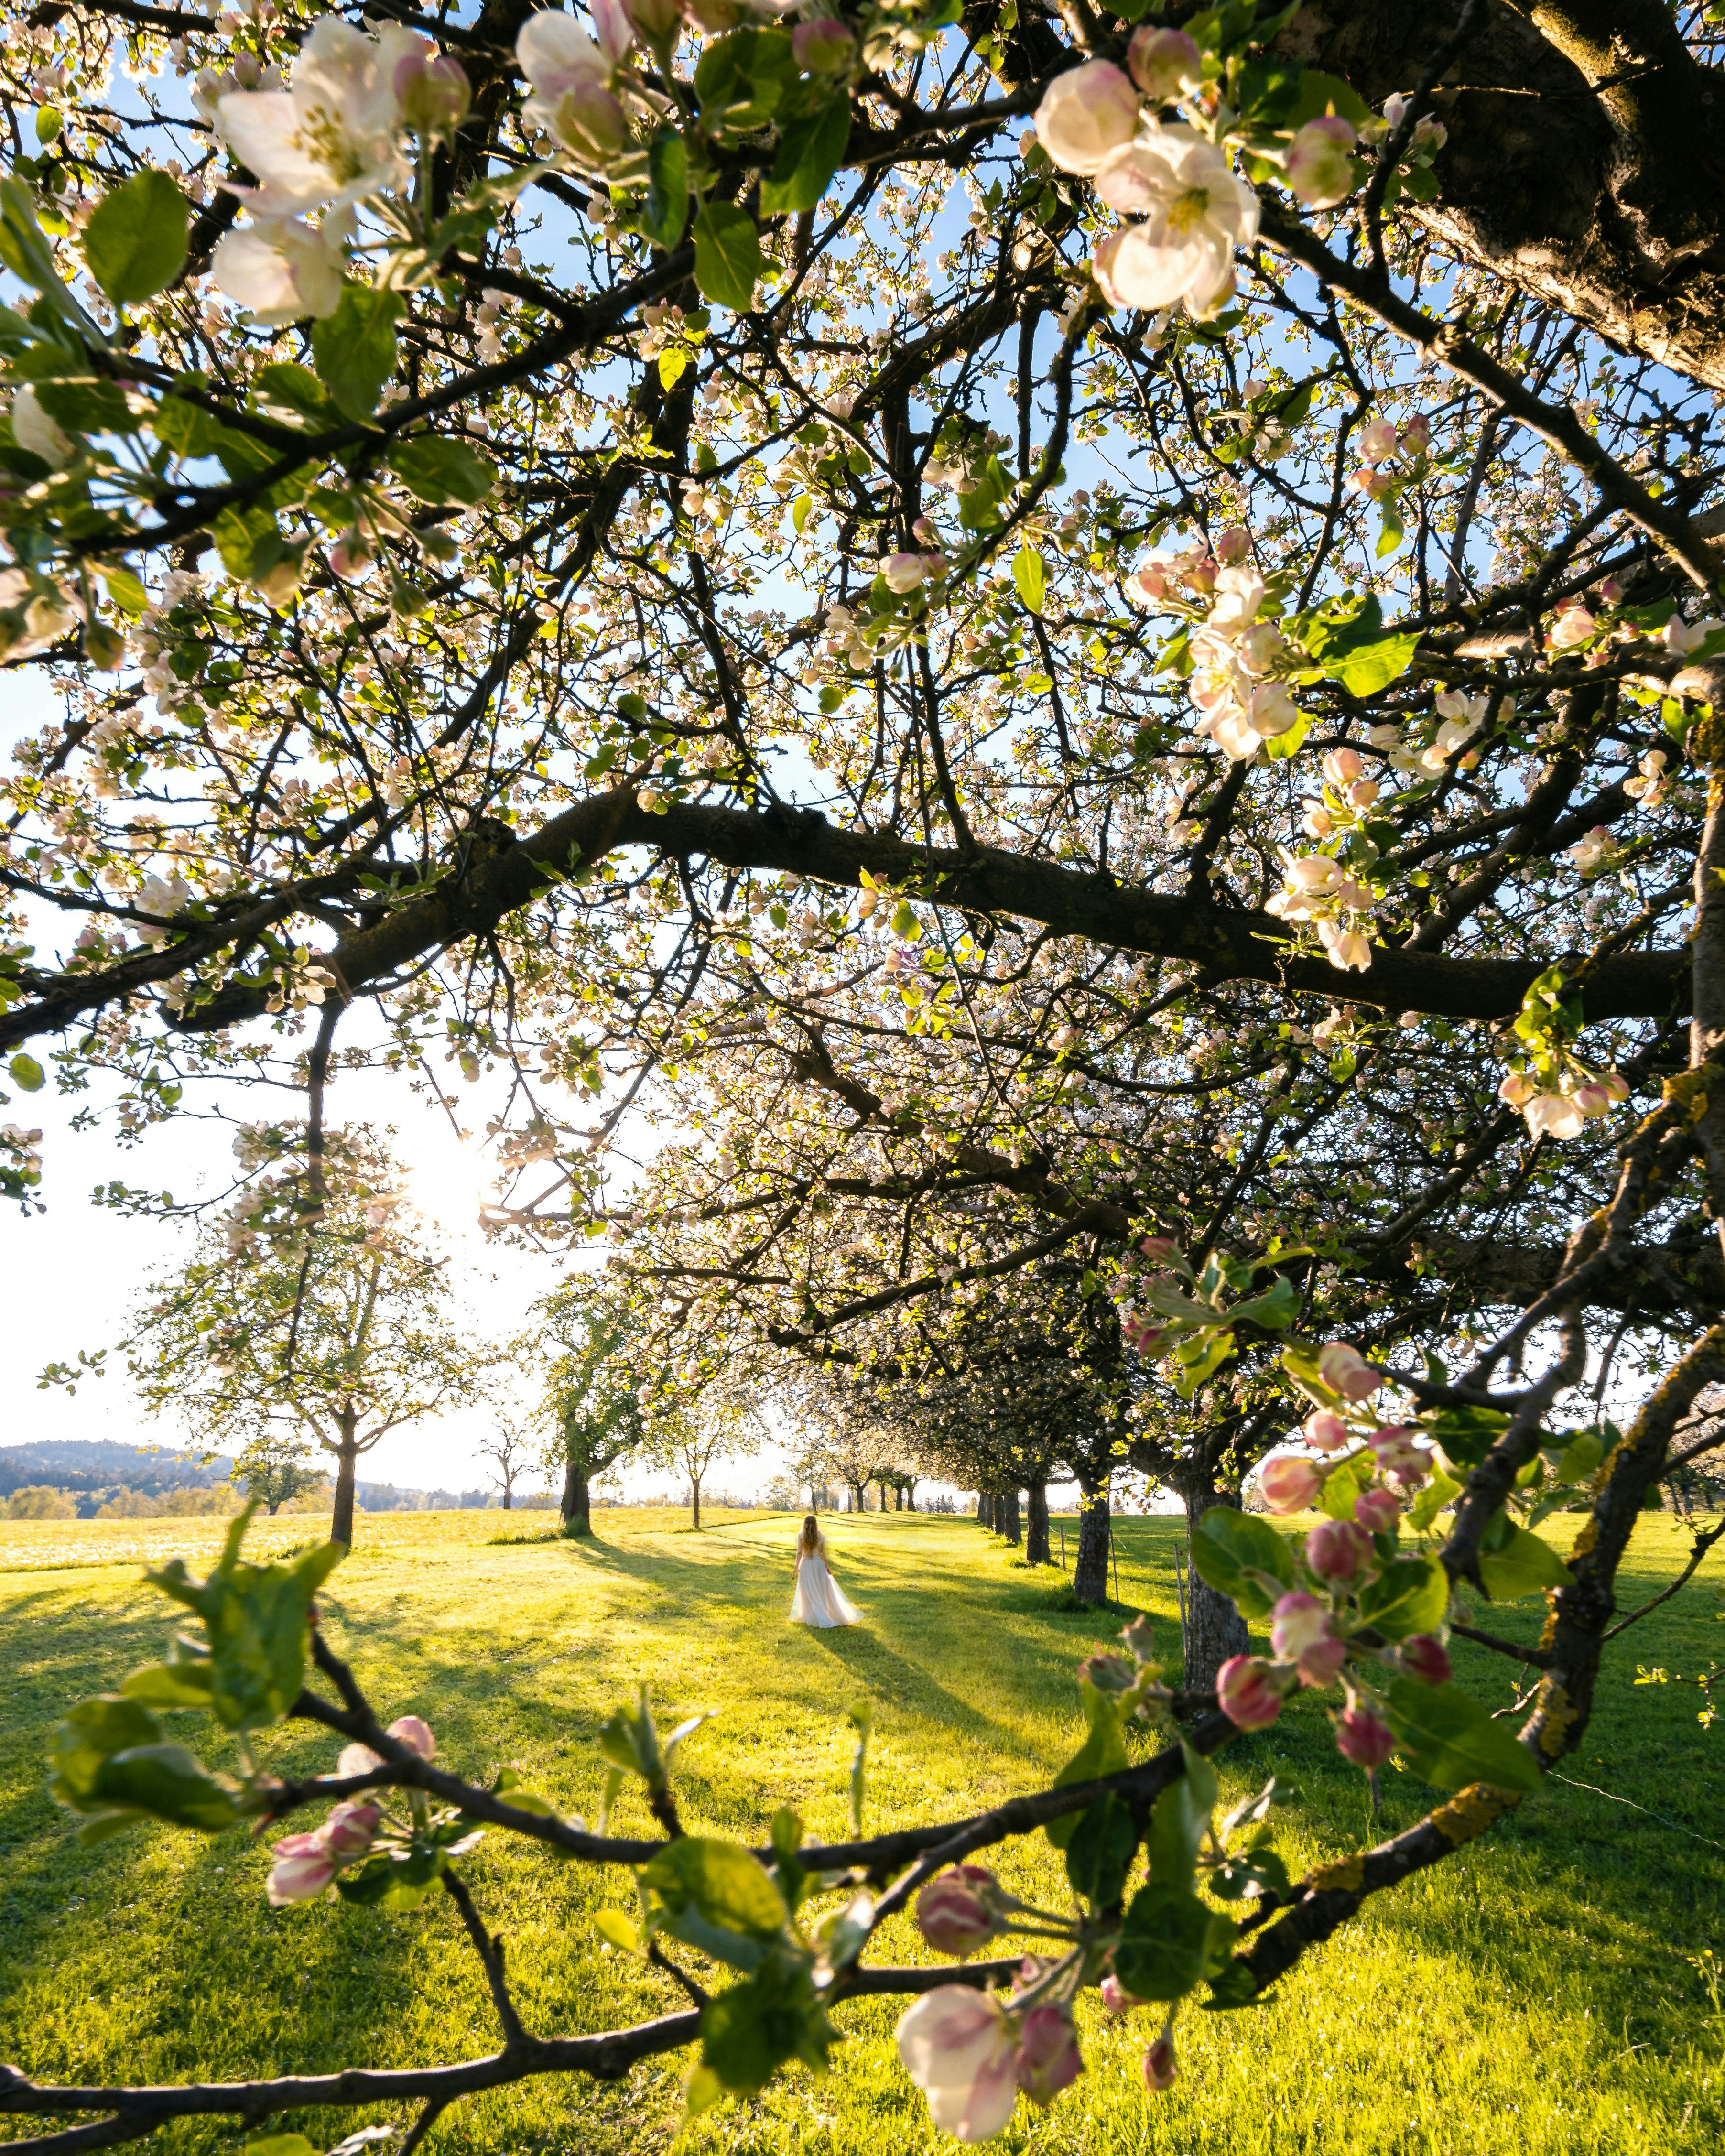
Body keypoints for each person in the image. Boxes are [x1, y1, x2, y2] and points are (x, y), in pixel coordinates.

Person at [789, 1513, 862, 1628]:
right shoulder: (821, 1536)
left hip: (806, 1565)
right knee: (821, 1591)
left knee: (807, 1591)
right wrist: (827, 1567)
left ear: (806, 1524)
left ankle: (811, 1615)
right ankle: (822, 1614)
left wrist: (796, 1568)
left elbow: (799, 1553)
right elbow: (824, 1554)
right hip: (818, 1566)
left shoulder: (801, 1536)